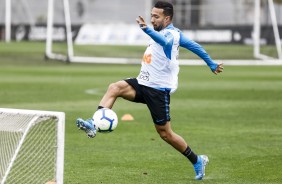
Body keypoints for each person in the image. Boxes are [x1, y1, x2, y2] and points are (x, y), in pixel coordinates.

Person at [76, 1, 223, 180]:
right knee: (115, 88)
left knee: (165, 134)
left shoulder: (171, 35)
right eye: (152, 15)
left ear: (167, 18)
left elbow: (169, 42)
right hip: (143, 83)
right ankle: (94, 124)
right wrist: (211, 63)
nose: (152, 19)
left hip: (158, 91)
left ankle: (197, 160)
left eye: (156, 16)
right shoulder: (162, 31)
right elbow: (195, 46)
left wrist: (147, 30)